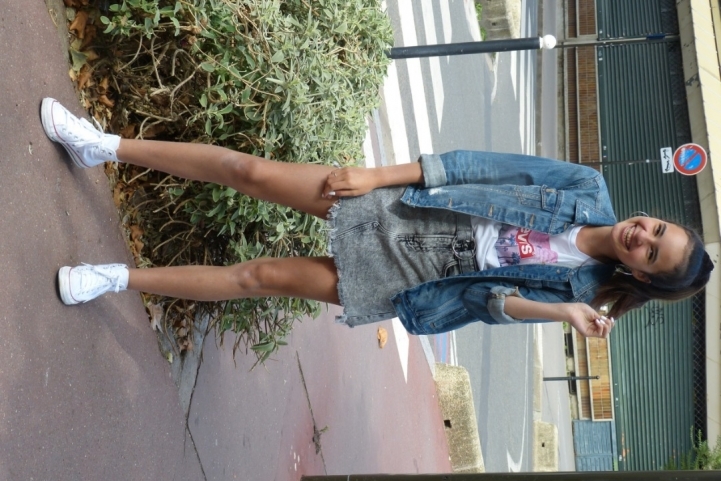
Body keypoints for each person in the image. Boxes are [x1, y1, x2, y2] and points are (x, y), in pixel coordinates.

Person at [41, 98, 714, 339]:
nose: (642, 236)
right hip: (410, 205)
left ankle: (114, 279)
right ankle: (103, 145)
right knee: (249, 171)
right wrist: (374, 175)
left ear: (639, 275)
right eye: (657, 229)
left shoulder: (576, 293)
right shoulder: (586, 187)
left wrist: (562, 313)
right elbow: (475, 166)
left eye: (651, 253)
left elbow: (485, 302)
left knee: (259, 276)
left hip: (413, 277)